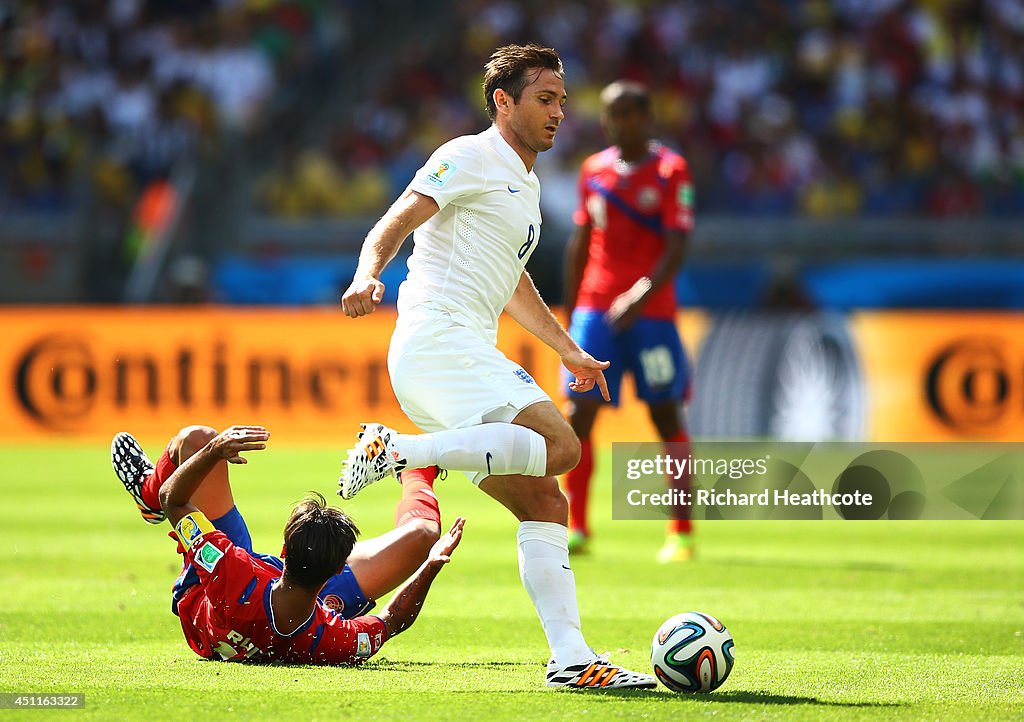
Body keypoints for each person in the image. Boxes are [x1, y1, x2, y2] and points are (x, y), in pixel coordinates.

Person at [338, 44, 656, 689]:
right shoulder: (466, 156)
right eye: (544, 99)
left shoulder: (527, 184)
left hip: (456, 353)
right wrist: (367, 275)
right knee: (560, 445)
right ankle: (395, 450)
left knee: (545, 500)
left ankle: (570, 659)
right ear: (503, 102)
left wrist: (566, 348)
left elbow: (512, 282)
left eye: (563, 101)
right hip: (438, 340)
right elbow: (393, 222)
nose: (558, 112)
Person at [110, 425, 464, 664]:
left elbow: (172, 498)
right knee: (424, 536)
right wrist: (431, 564)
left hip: (211, 596)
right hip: (288, 606)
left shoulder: (229, 566)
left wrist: (214, 450)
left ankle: (145, 496)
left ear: (282, 550)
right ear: (338, 571)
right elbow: (392, 620)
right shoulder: (328, 638)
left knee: (197, 440)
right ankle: (415, 465)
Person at [563, 80, 696, 563]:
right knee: (579, 415)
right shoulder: (593, 170)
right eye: (612, 115)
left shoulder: (670, 170)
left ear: (647, 117)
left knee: (665, 416)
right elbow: (581, 241)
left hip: (653, 313)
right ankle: (576, 527)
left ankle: (680, 533)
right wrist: (571, 308)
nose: (621, 123)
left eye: (629, 114)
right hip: (595, 309)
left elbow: (678, 245)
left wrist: (640, 294)